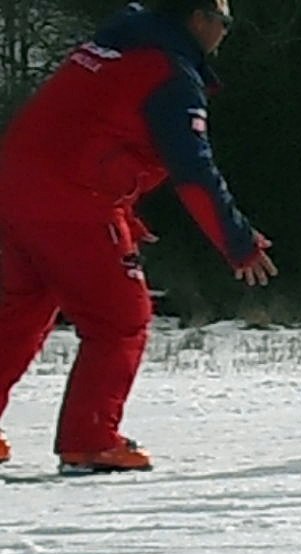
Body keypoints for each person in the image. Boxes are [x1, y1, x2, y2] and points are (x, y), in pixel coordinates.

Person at [0, 0, 277, 474]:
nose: (225, 34)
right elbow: (194, 171)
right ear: (198, 19)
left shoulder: (118, 42)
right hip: (73, 201)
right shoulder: (169, 73)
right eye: (224, 22)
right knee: (120, 318)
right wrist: (237, 239)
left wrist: (122, 212)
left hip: (15, 188)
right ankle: (91, 440)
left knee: (21, 311)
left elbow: (84, 132)